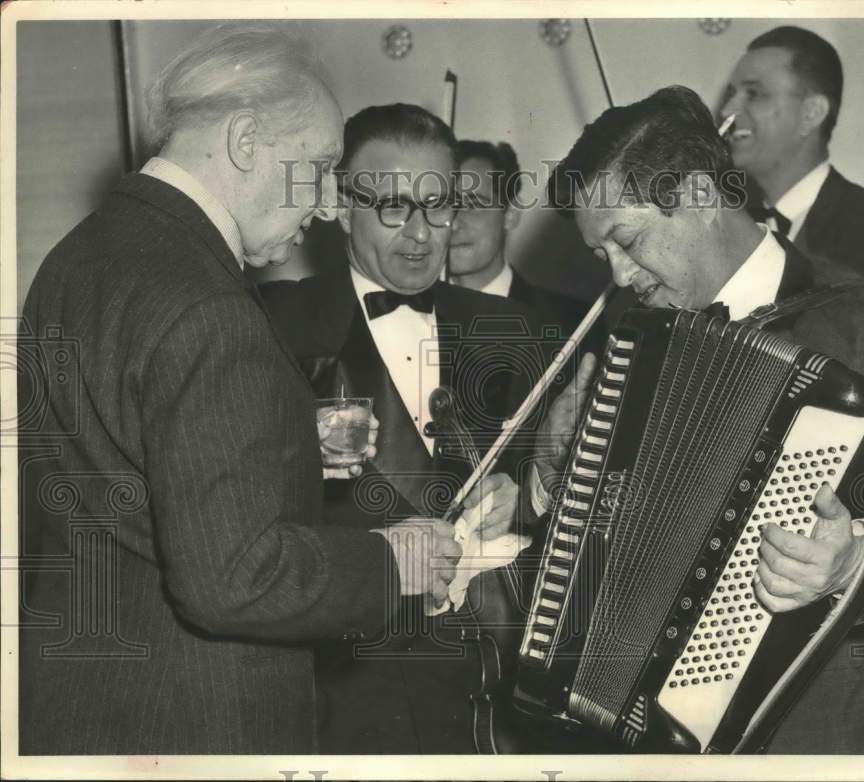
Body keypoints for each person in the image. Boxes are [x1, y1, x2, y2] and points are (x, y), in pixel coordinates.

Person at [17, 27, 465, 755]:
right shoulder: (210, 306)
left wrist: (287, 440)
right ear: (247, 139)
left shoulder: (79, 257)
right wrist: (394, 562)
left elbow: (122, 466)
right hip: (196, 713)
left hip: (84, 698)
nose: (325, 204)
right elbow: (233, 577)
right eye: (319, 167)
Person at [533, 85, 864, 753]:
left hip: (825, 740)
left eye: (627, 240)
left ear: (703, 197)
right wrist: (557, 477)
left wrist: (855, 566)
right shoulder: (630, 347)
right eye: (602, 256)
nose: (619, 277)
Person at [259, 103, 545, 754]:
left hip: (486, 694)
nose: (420, 233)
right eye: (392, 205)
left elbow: (551, 488)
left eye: (440, 205)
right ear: (338, 202)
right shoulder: (276, 326)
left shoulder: (511, 329)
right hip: (346, 693)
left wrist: (523, 500)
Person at [720, 25, 864, 316]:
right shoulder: (728, 226)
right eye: (732, 94)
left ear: (811, 114)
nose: (728, 110)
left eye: (754, 94)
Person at [449, 139, 591, 340]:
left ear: (510, 214)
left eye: (473, 205)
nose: (454, 224)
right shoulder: (403, 315)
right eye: (444, 205)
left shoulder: (574, 324)